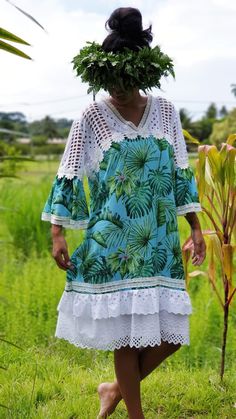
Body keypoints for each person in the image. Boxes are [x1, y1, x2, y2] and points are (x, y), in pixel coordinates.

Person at [41, 7, 206, 419]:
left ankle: (112, 389)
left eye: (127, 79)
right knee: (126, 338)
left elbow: (182, 171)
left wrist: (196, 227)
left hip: (160, 238)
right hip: (112, 241)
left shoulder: (166, 112)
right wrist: (58, 232)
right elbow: (68, 172)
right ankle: (135, 415)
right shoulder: (92, 117)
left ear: (142, 74)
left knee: (170, 337)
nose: (119, 87)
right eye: (111, 79)